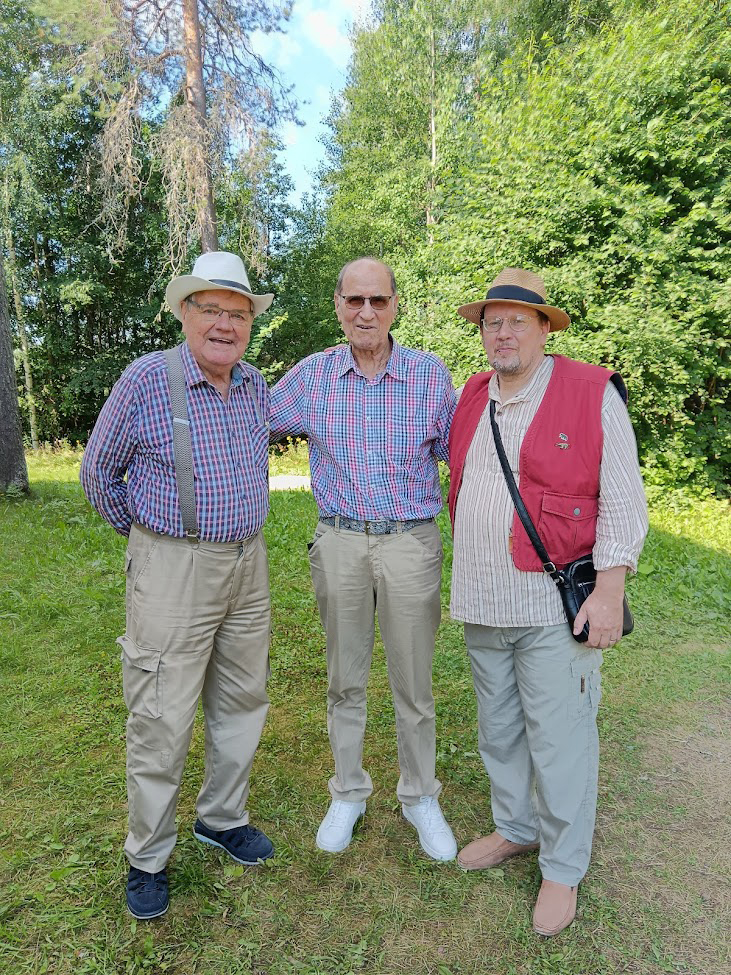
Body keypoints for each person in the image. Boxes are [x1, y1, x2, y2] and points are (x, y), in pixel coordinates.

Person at [448, 268, 648, 935]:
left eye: (516, 320)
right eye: (491, 322)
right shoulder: (472, 394)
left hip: (550, 607)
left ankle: (562, 867)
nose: (501, 332)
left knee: (560, 740)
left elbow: (623, 498)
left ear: (543, 328)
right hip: (481, 599)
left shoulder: (590, 391)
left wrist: (610, 591)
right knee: (499, 730)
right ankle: (516, 827)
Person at [80, 251, 275, 920]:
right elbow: (98, 473)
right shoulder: (147, 379)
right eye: (211, 309)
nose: (225, 324)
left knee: (242, 698)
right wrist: (150, 543)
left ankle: (221, 817)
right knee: (161, 714)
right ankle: (147, 856)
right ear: (185, 313)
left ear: (249, 324)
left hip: (247, 564)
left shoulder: (252, 382)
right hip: (173, 567)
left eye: (237, 313)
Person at [270, 257, 458, 861]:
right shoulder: (313, 376)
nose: (367, 312)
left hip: (410, 542)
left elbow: (466, 456)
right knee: (344, 679)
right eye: (355, 300)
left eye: (378, 300)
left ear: (395, 305)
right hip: (340, 542)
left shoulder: (429, 375)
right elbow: (247, 421)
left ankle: (420, 795)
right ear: (338, 305)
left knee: (414, 683)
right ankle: (348, 792)